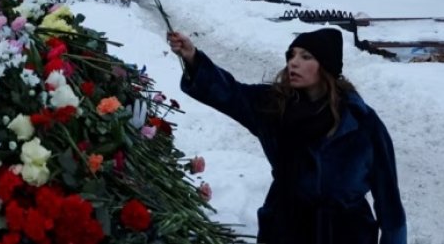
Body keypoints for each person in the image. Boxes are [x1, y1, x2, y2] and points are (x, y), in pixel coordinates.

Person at [167, 28, 406, 244]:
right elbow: (230, 93)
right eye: (292, 55)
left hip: (347, 234)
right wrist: (192, 57)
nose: (294, 63)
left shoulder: (362, 123)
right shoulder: (273, 108)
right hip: (285, 229)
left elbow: (390, 204)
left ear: (326, 65)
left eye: (305, 57)